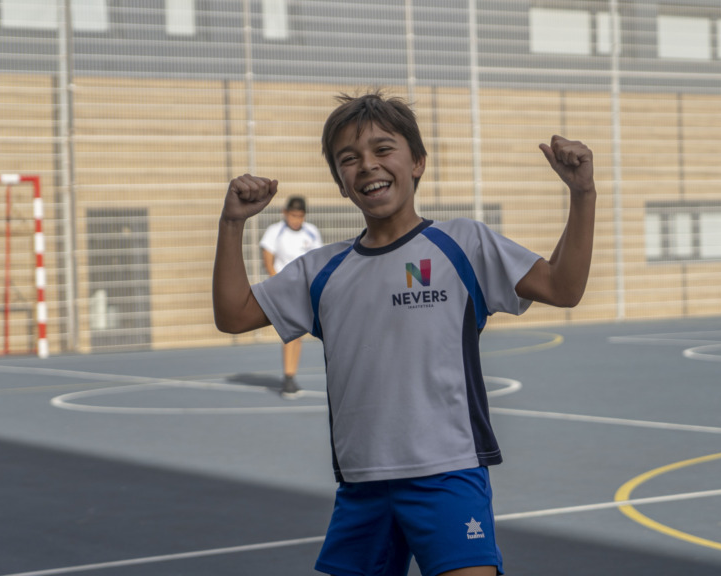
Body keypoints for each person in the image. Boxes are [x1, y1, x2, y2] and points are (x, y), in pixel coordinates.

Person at [213, 90, 597, 576]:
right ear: (340, 183)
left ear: (417, 162)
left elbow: (563, 287)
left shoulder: (464, 244)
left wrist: (582, 194)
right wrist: (232, 223)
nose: (367, 165)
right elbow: (234, 315)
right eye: (348, 159)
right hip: (362, 483)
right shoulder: (321, 270)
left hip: (448, 474)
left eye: (382, 149)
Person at [259, 195, 323, 398]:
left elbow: (317, 260)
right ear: (285, 213)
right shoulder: (275, 231)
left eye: (300, 216)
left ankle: (291, 376)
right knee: (290, 333)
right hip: (284, 289)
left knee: (299, 333)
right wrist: (279, 285)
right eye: (293, 215)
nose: (296, 220)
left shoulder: (311, 232)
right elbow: (268, 261)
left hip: (304, 289)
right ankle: (288, 377)